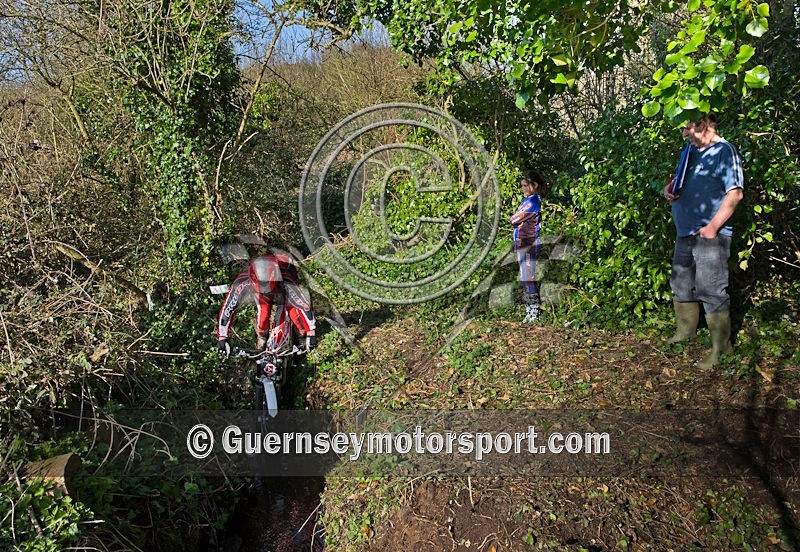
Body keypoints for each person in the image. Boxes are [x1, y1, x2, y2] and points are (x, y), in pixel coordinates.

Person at [663, 113, 743, 369]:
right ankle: (685, 332)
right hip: (685, 231)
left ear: (703, 125)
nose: (684, 134)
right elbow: (686, 181)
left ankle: (722, 349)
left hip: (711, 234)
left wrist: (712, 228)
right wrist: (671, 189)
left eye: (688, 128)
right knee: (681, 282)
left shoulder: (725, 151)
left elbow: (735, 193)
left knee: (711, 289)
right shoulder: (691, 150)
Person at [216, 253, 316, 359]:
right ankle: (262, 339)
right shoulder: (242, 283)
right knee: (262, 319)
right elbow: (228, 308)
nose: (265, 289)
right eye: (262, 285)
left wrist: (311, 332)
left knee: (295, 316)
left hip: (282, 287)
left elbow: (302, 304)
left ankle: (301, 336)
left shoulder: (286, 279)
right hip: (261, 294)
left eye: (267, 285)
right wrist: (222, 337)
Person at [510, 170, 546, 323]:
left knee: (528, 277)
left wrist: (514, 218)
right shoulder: (526, 200)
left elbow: (515, 219)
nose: (523, 189)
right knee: (525, 277)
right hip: (521, 242)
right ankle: (529, 311)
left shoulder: (533, 201)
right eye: (522, 186)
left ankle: (534, 312)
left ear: (534, 185)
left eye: (526, 185)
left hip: (529, 242)